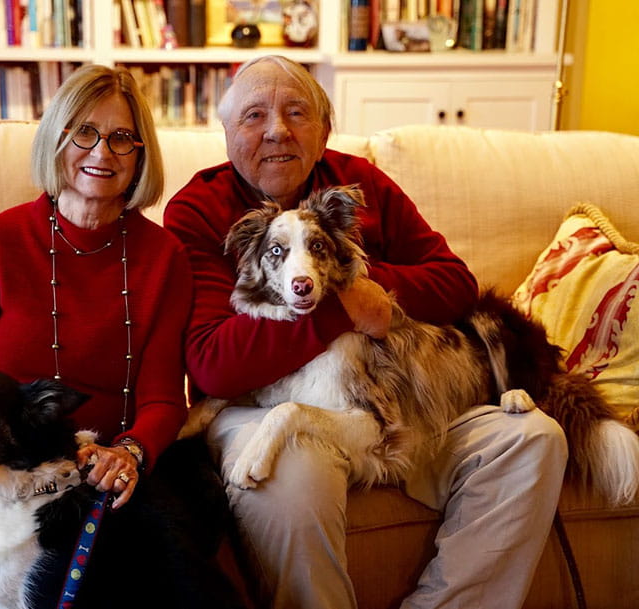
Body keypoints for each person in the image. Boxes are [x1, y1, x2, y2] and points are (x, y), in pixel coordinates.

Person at [163, 55, 569, 609]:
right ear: (229, 132)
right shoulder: (199, 209)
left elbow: (454, 283)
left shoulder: (362, 184)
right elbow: (214, 363)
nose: (277, 129)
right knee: (289, 471)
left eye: (296, 112)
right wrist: (343, 299)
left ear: (325, 129)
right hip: (264, 404)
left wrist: (378, 290)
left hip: (400, 400)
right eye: (254, 115)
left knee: (533, 441)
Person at [0, 64, 243, 609]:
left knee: (172, 553)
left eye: (122, 137)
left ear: (141, 153)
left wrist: (128, 454)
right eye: (85, 132)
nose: (103, 152)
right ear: (58, 138)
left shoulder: (164, 256)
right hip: (8, 457)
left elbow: (165, 398)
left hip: (115, 458)